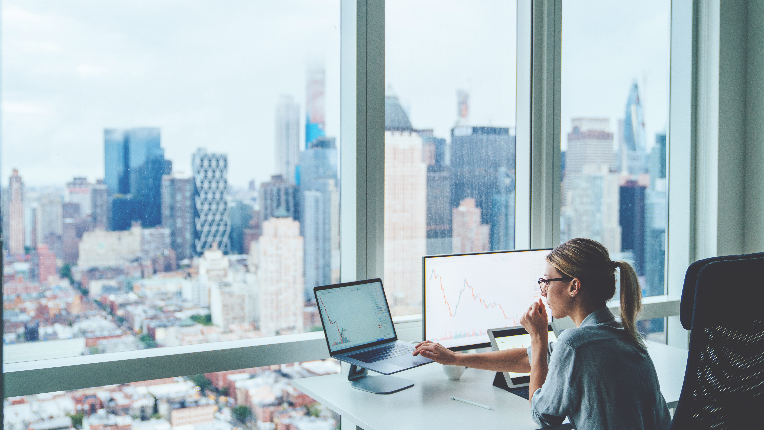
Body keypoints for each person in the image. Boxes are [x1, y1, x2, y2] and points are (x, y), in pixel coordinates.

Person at [413, 238, 671, 430]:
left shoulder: (575, 343)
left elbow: (543, 416)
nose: (543, 290)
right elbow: (530, 359)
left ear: (574, 286)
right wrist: (457, 359)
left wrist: (538, 337)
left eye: (547, 281)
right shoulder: (622, 334)